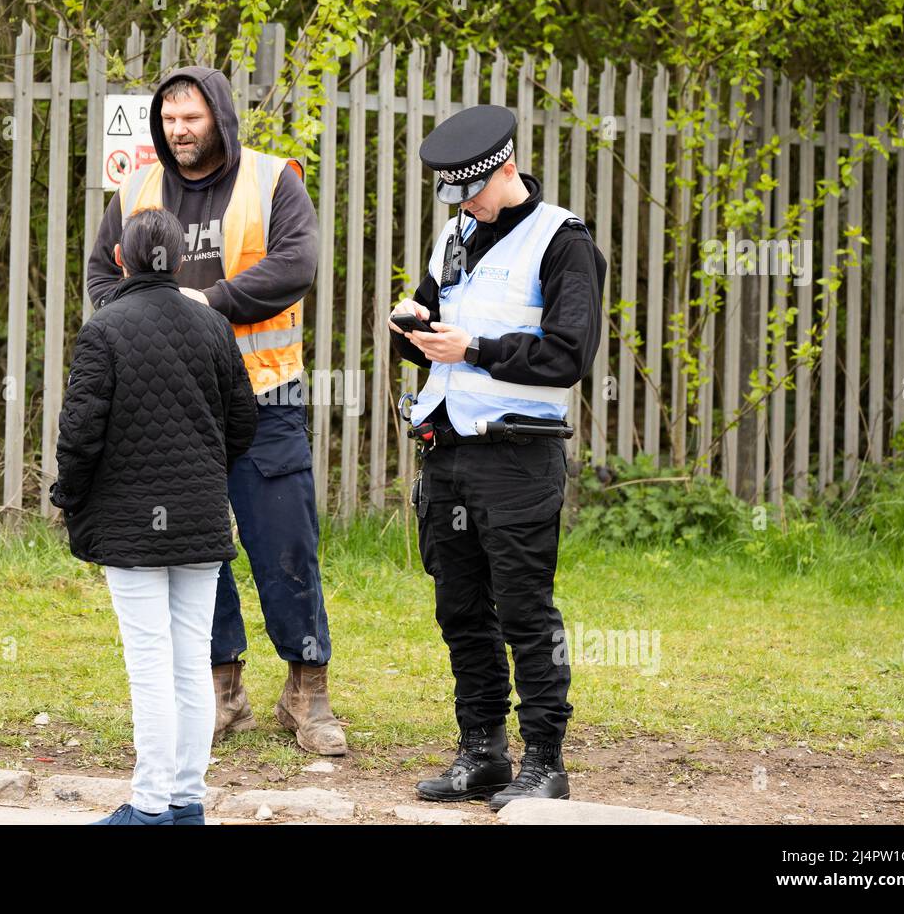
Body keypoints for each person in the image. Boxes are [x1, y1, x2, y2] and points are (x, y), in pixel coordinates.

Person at [86, 66, 345, 756]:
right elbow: (101, 276)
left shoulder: (271, 180)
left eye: (191, 118)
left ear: (220, 117)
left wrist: (210, 303)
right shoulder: (137, 188)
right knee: (197, 544)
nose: (178, 131)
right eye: (169, 120)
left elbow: (296, 264)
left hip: (267, 393)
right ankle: (223, 689)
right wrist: (150, 321)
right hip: (174, 402)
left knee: (283, 541)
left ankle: (307, 692)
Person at [389, 104, 606, 810]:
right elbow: (429, 328)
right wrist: (409, 325)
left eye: (473, 192)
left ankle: (545, 760)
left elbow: (570, 354)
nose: (465, 207)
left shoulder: (563, 241)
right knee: (460, 609)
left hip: (517, 455)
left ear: (506, 168)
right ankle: (480, 750)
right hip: (447, 449)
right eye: (454, 197)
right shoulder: (456, 234)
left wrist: (476, 350)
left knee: (523, 609)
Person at [50, 207, 258, 825]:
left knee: (149, 664)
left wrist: (70, 495)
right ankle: (185, 801)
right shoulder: (214, 326)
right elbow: (244, 422)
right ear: (181, 261)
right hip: (199, 518)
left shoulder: (105, 329)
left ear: (121, 259)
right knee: (192, 661)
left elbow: (80, 431)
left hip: (129, 523)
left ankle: (147, 807)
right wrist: (202, 468)